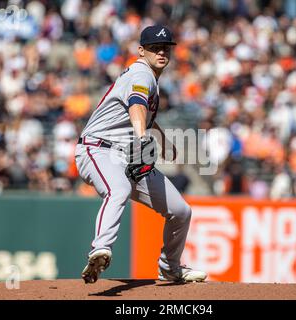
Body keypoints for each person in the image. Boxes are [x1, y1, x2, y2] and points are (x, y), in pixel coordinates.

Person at [75, 25, 207, 283]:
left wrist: (163, 141)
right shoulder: (141, 74)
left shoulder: (150, 79)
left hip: (124, 155)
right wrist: (142, 137)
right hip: (97, 149)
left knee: (181, 211)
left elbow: (143, 115)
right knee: (119, 189)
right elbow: (137, 107)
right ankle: (100, 249)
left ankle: (170, 267)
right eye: (155, 48)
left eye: (165, 48)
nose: (161, 52)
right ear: (141, 51)